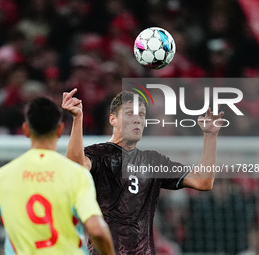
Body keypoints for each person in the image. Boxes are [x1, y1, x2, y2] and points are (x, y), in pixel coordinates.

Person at [62, 88, 225, 255]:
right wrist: (77, 118)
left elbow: (202, 181)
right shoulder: (98, 154)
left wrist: (210, 137)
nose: (137, 119)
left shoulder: (153, 161)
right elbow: (75, 167)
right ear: (113, 119)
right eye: (129, 114)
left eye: (141, 114)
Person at [0, 97, 115, 255]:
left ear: (26, 130)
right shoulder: (76, 174)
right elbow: (97, 231)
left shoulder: (3, 176)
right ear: (60, 130)